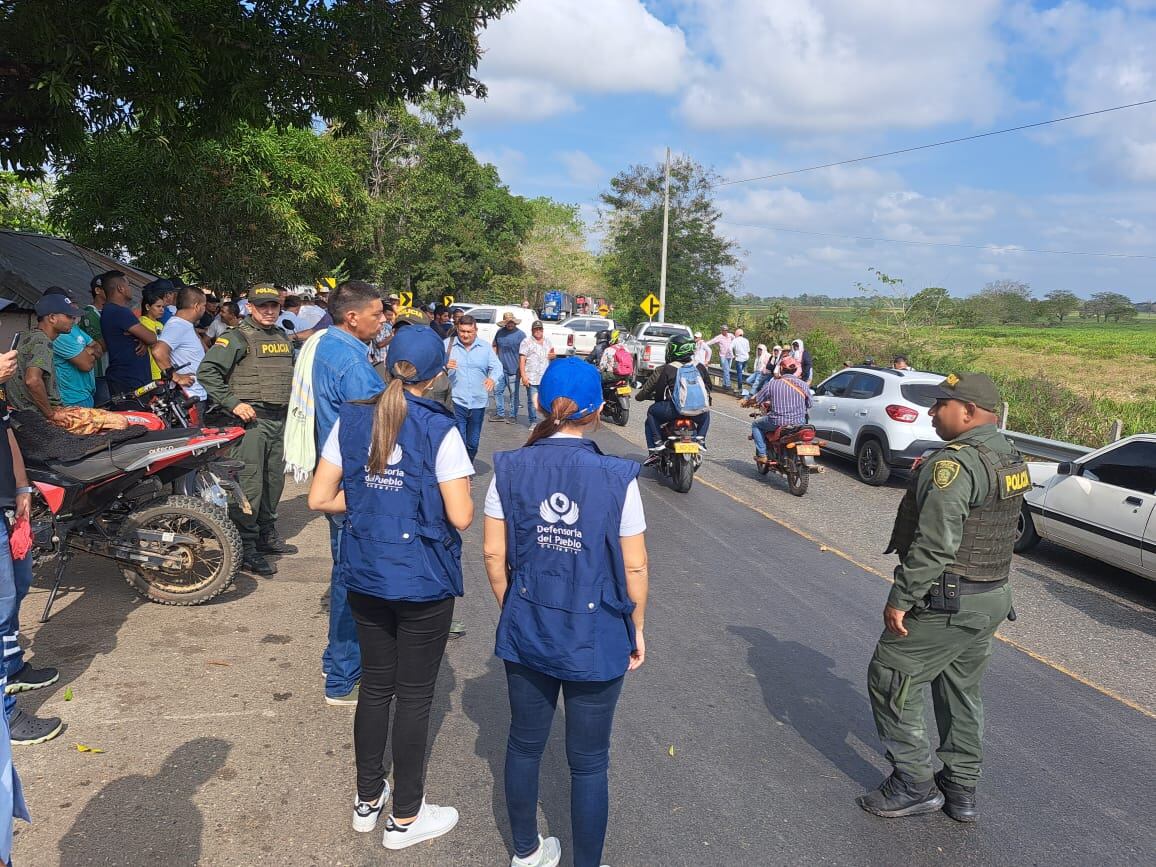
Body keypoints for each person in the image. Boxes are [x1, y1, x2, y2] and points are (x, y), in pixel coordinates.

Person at [308, 325, 473, 850]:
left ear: (386, 364)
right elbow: (461, 516)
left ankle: (367, 799)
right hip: (423, 577)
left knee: (376, 687)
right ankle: (405, 816)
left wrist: (371, 503)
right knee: (416, 697)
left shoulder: (353, 417)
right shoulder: (440, 428)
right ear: (438, 374)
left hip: (366, 571)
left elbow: (319, 497)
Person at [482, 357, 649, 867]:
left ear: (538, 403)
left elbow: (492, 555)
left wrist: (514, 608)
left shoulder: (508, 468)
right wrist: (636, 628)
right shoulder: (616, 477)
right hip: (597, 632)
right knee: (590, 762)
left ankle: (526, 851)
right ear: (596, 412)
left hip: (527, 624)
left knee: (524, 744)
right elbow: (635, 566)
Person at [859, 373, 1024, 823]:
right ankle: (960, 786)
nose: (931, 412)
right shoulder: (1009, 455)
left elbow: (936, 544)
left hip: (949, 599)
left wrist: (901, 597)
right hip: (991, 595)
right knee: (960, 690)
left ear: (967, 411)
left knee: (891, 674)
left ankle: (913, 783)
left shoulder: (955, 465)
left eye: (941, 405)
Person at [309, 281, 387, 707]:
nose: (383, 320)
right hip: (350, 480)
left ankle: (334, 661)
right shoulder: (353, 363)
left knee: (344, 569)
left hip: (334, 472)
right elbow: (378, 426)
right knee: (351, 577)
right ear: (352, 317)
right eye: (377, 314)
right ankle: (342, 677)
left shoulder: (329, 345)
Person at [198, 283, 296, 576]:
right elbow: (207, 372)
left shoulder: (282, 336)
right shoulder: (236, 338)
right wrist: (233, 403)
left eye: (273, 305)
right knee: (250, 484)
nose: (269, 311)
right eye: (262, 306)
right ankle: (245, 545)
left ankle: (266, 533)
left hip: (279, 420)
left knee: (273, 480)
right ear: (250, 307)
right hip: (252, 423)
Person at [0, 347, 64, 746]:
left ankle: (12, 667)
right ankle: (4, 718)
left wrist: (22, 487)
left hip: (6, 504)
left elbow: (5, 429)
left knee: (18, 586)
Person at [635, 336, 711, 465]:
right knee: (706, 413)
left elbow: (659, 391)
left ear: (673, 350)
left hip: (674, 410)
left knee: (651, 412)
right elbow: (708, 388)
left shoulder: (667, 368)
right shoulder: (699, 367)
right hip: (697, 412)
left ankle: (656, 447)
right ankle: (701, 439)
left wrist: (657, 401)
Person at [7, 294, 83, 420]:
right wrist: (51, 414)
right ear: (52, 318)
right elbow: (33, 380)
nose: (73, 320)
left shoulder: (28, 335)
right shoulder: (42, 341)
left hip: (20, 415)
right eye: (69, 316)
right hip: (35, 418)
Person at [446, 315, 501, 461]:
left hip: (478, 402)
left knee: (473, 443)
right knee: (459, 440)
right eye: (462, 331)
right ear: (457, 329)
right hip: (455, 401)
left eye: (469, 332)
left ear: (475, 330)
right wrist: (444, 366)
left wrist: (492, 378)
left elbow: (497, 367)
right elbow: (433, 365)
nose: (465, 335)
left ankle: (468, 463)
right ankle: (459, 469)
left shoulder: (485, 347)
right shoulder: (448, 345)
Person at [741, 356, 811, 467]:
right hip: (799, 422)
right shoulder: (803, 385)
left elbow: (757, 398)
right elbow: (809, 404)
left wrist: (747, 403)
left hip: (778, 421)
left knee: (756, 425)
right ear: (795, 370)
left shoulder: (773, 384)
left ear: (781, 369)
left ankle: (762, 454)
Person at [101, 271, 158, 394]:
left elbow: (145, 338)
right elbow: (152, 338)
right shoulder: (119, 312)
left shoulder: (110, 310)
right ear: (120, 288)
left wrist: (142, 339)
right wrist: (145, 338)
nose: (130, 288)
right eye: (129, 285)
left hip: (128, 377)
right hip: (129, 378)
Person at [154, 287, 208, 414]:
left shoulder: (185, 325)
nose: (204, 309)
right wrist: (176, 377)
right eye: (204, 305)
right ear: (196, 306)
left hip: (195, 394)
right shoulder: (177, 325)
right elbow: (158, 351)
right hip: (188, 397)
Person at [47, 287, 102, 408]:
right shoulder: (60, 335)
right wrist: (88, 352)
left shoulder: (73, 328)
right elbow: (86, 365)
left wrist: (87, 352)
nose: (73, 316)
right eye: (69, 305)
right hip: (71, 399)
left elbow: (98, 348)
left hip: (85, 395)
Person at [79, 273, 110, 405]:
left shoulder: (107, 311)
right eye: (109, 287)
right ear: (97, 290)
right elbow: (103, 345)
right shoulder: (89, 314)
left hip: (108, 370)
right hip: (98, 372)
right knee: (103, 405)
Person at [518, 321, 554, 425]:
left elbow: (551, 356)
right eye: (536, 329)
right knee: (532, 401)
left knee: (547, 400)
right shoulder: (526, 342)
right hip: (532, 377)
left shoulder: (548, 341)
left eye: (540, 329)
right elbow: (522, 360)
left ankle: (548, 421)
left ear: (542, 330)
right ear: (532, 330)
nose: (538, 331)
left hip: (545, 377)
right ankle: (533, 421)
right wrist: (523, 375)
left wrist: (553, 356)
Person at [492, 312, 525, 424]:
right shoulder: (499, 332)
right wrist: (494, 361)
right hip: (500, 369)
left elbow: (525, 353)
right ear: (504, 323)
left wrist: (523, 370)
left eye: (511, 322)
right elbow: (495, 345)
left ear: (514, 322)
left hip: (514, 370)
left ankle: (513, 416)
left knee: (513, 394)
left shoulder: (521, 335)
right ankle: (500, 414)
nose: (510, 324)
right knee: (497, 391)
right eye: (507, 322)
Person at [706, 325, 735, 390]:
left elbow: (735, 340)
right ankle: (728, 385)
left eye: (726, 330)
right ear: (722, 331)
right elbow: (711, 341)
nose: (725, 331)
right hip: (723, 356)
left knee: (726, 370)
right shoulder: (719, 337)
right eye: (724, 330)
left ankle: (724, 384)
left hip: (730, 356)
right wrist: (704, 344)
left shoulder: (730, 335)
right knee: (726, 370)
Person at [730, 328, 750, 393]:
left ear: (736, 334)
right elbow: (748, 350)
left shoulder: (735, 340)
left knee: (739, 374)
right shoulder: (746, 340)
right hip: (746, 359)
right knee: (742, 372)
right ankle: (744, 388)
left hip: (739, 359)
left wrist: (733, 356)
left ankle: (740, 388)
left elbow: (729, 348)